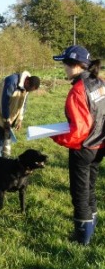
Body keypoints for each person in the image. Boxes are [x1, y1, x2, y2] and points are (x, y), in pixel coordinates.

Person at [51, 45, 105, 245]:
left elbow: (79, 130)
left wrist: (57, 136)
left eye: (65, 63)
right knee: (90, 188)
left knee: (80, 193)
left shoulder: (78, 90)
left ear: (75, 65)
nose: (63, 68)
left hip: (83, 148)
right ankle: (92, 225)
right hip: (99, 145)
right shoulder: (100, 82)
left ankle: (82, 239)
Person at [0, 71, 40, 157]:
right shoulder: (11, 81)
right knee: (0, 138)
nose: (27, 91)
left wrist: (20, 119)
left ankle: (5, 158)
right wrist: (6, 119)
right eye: (29, 89)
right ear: (27, 82)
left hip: (10, 114)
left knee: (7, 137)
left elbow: (23, 103)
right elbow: (4, 101)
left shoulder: (27, 86)